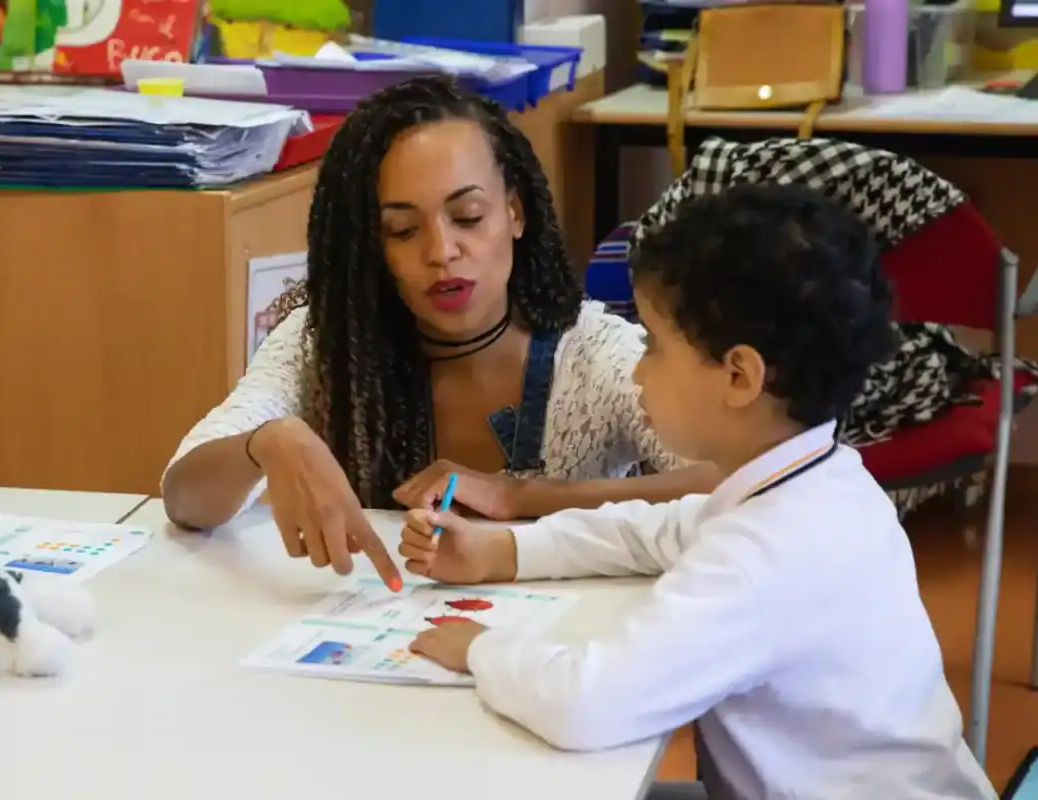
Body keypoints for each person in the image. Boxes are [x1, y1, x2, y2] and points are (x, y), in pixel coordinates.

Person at [399, 184, 996, 799]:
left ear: (738, 375)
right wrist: (505, 553)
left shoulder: (762, 558)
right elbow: (662, 530)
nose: (637, 369)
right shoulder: (826, 477)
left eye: (655, 346)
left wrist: (483, 650)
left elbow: (588, 704)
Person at [160, 76, 717, 588]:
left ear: (516, 213)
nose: (442, 253)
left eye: (469, 216)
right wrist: (266, 443)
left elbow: (738, 483)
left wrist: (522, 495)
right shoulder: (324, 341)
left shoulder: (593, 353)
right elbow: (184, 496)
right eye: (402, 230)